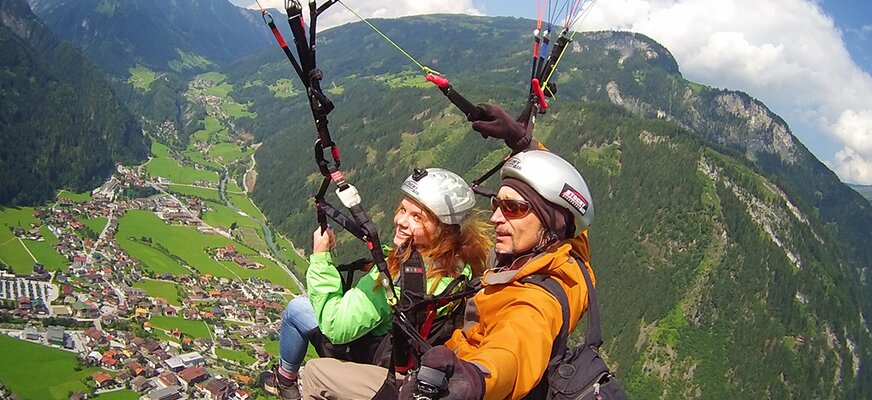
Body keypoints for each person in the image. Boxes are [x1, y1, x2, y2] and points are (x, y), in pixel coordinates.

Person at [300, 104, 598, 400]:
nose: (495, 218)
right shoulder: (569, 257)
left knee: (314, 373)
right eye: (497, 203)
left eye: (514, 208)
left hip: (449, 379)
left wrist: (474, 379)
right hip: (440, 365)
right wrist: (525, 145)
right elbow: (569, 207)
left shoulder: (536, 300)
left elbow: (513, 351)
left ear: (550, 220)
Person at [265, 168, 492, 400]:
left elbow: (336, 327)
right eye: (403, 210)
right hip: (407, 356)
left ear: (444, 230)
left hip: (371, 356)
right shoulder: (462, 263)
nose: (401, 221)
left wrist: (321, 257)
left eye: (418, 217)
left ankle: (284, 381)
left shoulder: (394, 281)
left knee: (296, 310)